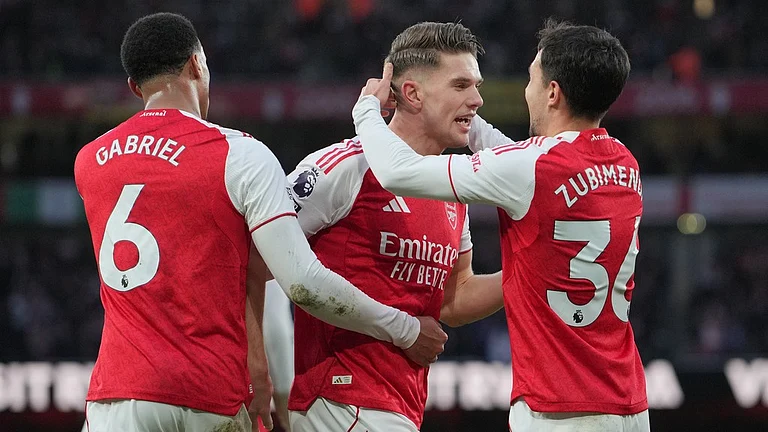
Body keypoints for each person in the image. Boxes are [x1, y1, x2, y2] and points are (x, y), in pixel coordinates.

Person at [74, 12, 446, 432]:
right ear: (197, 64)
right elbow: (302, 283)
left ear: (133, 86)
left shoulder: (89, 161)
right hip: (210, 394)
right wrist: (405, 329)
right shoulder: (240, 155)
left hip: (117, 395)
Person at [352, 19, 650, 432]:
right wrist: (451, 107)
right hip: (629, 403)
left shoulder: (528, 167)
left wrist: (367, 109)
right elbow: (518, 161)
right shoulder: (623, 163)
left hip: (558, 410)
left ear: (552, 92)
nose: (526, 90)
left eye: (531, 78)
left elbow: (397, 172)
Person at [284, 22, 503, 432]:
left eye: (476, 86)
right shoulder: (345, 167)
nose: (476, 100)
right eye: (460, 85)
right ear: (413, 94)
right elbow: (260, 255)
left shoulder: (451, 188)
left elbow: (454, 298)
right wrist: (260, 362)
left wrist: (529, 271)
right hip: (341, 400)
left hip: (398, 404)